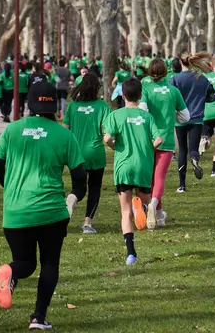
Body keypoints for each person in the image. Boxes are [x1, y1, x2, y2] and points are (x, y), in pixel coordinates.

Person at [0, 81, 87, 331]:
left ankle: (11, 272)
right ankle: (38, 317)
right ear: (54, 106)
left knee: (24, 263)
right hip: (51, 211)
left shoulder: (12, 130)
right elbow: (80, 179)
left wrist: (9, 186)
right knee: (49, 264)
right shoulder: (64, 135)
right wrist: (74, 197)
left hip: (15, 211)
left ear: (29, 104)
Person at [103, 79, 163, 265]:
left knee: (125, 211)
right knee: (144, 201)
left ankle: (131, 254)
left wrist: (114, 146)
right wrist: (148, 149)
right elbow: (159, 139)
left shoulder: (115, 115)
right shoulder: (147, 117)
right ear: (140, 96)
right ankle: (143, 207)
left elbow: (106, 138)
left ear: (122, 96)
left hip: (124, 166)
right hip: (143, 165)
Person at [140, 59, 189, 228]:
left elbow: (143, 112)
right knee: (159, 178)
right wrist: (170, 118)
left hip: (148, 140)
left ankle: (155, 212)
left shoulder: (145, 89)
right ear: (166, 72)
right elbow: (186, 117)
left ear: (149, 72)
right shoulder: (173, 91)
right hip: (166, 140)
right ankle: (155, 207)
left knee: (150, 178)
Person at [64, 74, 110, 234]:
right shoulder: (102, 106)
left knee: (79, 187)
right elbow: (107, 132)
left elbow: (65, 130)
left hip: (76, 154)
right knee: (94, 188)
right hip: (95, 152)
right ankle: (87, 224)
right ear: (96, 88)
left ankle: (72, 198)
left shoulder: (72, 106)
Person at [170, 52, 215, 193]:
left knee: (182, 149)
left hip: (179, 119)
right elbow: (212, 97)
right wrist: (201, 99)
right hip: (196, 119)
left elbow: (171, 97)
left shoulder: (174, 79)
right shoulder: (201, 78)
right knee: (193, 149)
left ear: (180, 62)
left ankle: (182, 185)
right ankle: (195, 159)